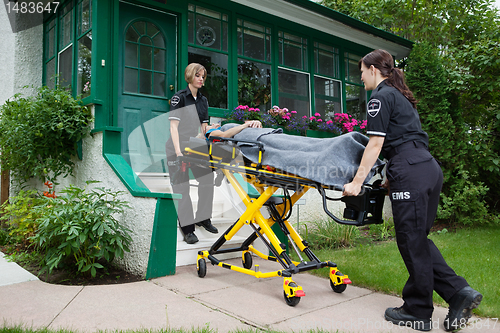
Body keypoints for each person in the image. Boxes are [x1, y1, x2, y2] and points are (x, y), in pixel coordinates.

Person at [343, 49, 482, 331]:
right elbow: (406, 140)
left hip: (410, 170)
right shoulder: (401, 96)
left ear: (373, 70)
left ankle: (417, 310)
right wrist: (393, 175)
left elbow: (375, 143)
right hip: (427, 168)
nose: (360, 78)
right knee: (417, 238)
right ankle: (459, 293)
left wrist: (357, 182)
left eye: (361, 72)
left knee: (410, 240)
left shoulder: (380, 96)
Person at [165, 63, 218, 244]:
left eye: (203, 76)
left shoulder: (203, 101)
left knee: (206, 179)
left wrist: (211, 131)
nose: (201, 79)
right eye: (198, 75)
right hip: (176, 147)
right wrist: (179, 152)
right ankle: (188, 230)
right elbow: (173, 127)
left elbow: (203, 128)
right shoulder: (179, 98)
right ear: (190, 76)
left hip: (194, 146)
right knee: (182, 187)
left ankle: (203, 217)